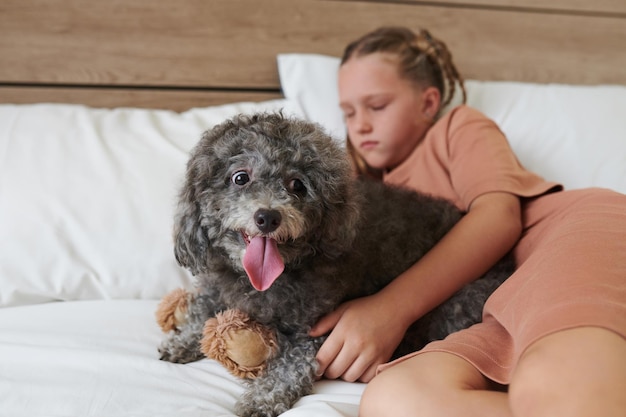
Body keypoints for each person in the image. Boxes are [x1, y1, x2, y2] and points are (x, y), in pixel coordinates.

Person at [309, 26, 626, 416]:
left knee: (556, 376)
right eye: (348, 113)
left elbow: (499, 218)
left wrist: (388, 309)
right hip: (495, 300)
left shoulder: (456, 127)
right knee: (396, 400)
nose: (360, 125)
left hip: (563, 237)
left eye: (376, 106)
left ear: (428, 103)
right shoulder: (360, 194)